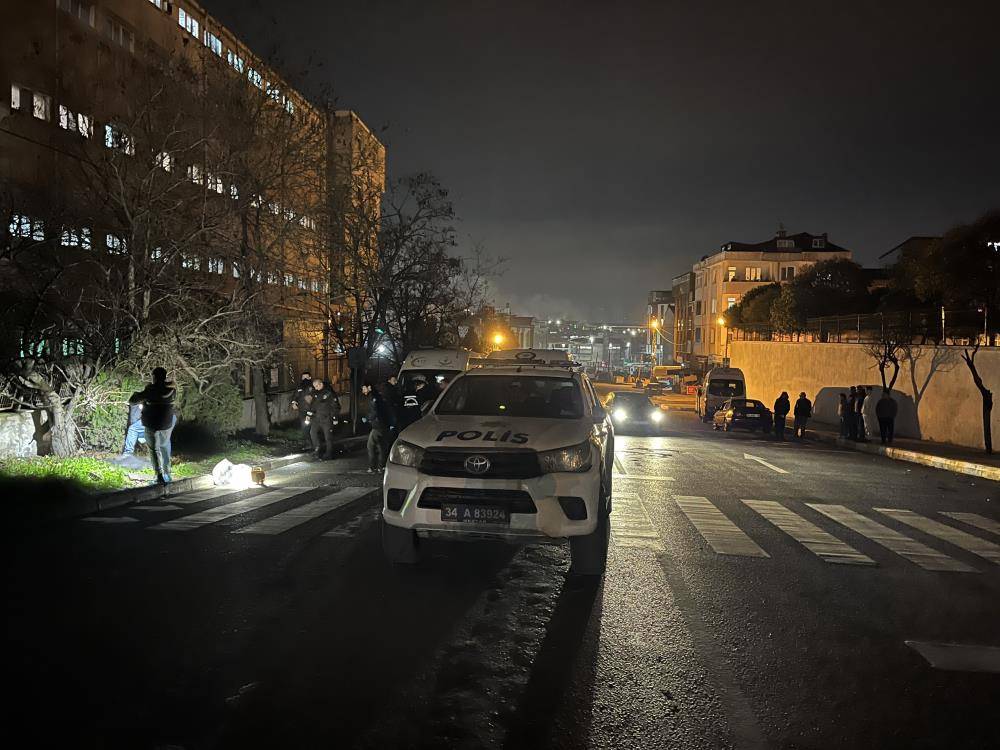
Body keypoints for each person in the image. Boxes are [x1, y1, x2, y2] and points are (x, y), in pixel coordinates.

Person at [129, 367, 177, 484]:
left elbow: (132, 400)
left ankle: (159, 475)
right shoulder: (172, 390)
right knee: (165, 445)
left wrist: (141, 392)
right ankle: (168, 473)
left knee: (154, 449)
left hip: (152, 423)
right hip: (167, 422)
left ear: (154, 377)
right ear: (165, 377)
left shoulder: (150, 390)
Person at [306, 378, 339, 459]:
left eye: (317, 386)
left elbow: (335, 406)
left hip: (326, 418)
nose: (316, 388)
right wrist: (309, 416)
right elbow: (312, 406)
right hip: (316, 418)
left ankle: (329, 454)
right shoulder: (315, 393)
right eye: (314, 386)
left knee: (328, 437)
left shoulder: (329, 393)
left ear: (321, 384)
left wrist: (335, 418)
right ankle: (317, 450)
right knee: (312, 433)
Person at [362, 382, 390, 473]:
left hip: (377, 426)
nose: (362, 390)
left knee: (370, 446)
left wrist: (366, 418)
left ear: (369, 387)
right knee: (381, 446)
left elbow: (374, 412)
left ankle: (372, 467)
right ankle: (381, 467)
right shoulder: (379, 396)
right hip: (382, 425)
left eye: (364, 388)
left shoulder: (372, 397)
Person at [290, 371, 314, 451]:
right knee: (304, 427)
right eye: (303, 378)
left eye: (306, 377)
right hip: (302, 410)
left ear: (310, 378)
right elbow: (295, 395)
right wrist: (294, 402)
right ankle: (308, 443)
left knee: (311, 427)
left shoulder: (313, 386)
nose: (304, 379)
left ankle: (314, 444)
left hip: (311, 410)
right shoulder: (300, 387)